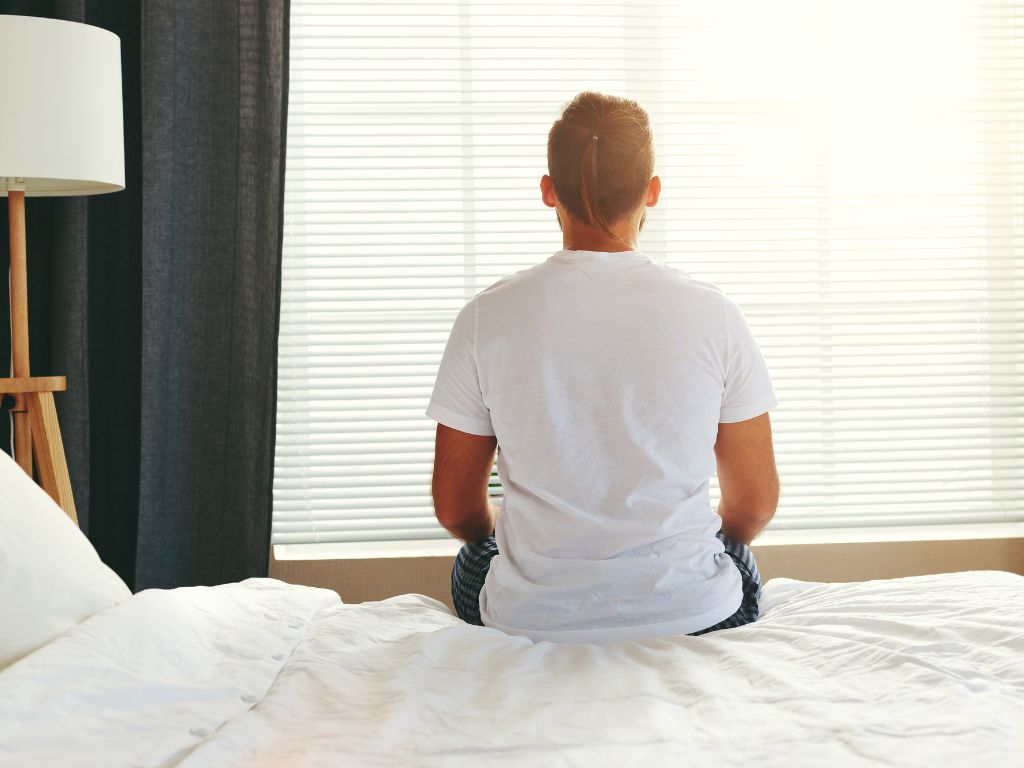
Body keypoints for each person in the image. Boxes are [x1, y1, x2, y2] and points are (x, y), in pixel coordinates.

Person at [426, 91, 779, 644]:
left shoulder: (484, 317)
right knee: (732, 556)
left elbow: (455, 510)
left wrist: (511, 544)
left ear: (548, 191)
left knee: (477, 556)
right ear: (652, 191)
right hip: (695, 611)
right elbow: (755, 503)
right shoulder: (715, 315)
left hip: (530, 614)